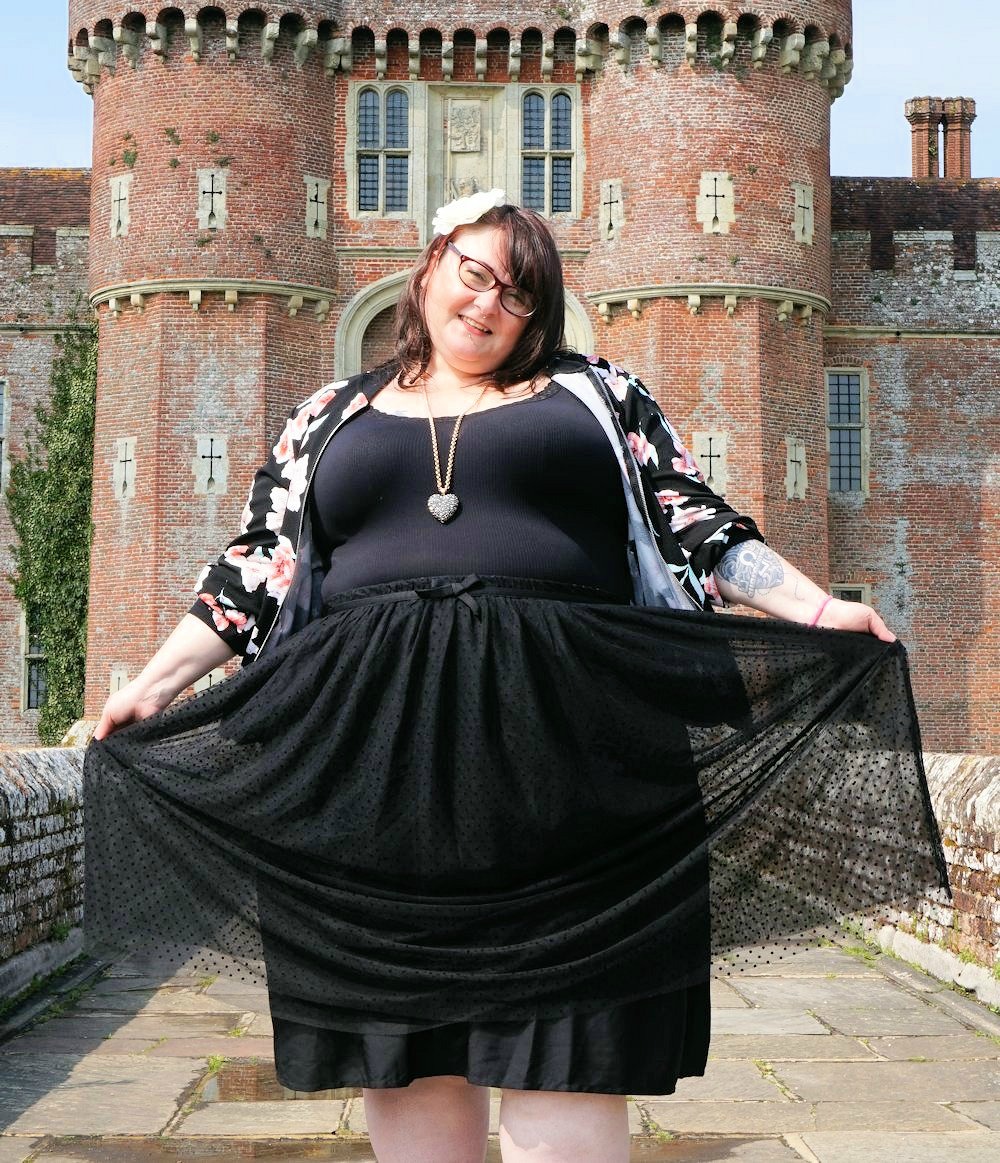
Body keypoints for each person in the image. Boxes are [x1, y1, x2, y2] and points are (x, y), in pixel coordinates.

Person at [88, 190, 943, 1163]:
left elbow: (694, 522)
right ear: (430, 267)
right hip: (371, 779)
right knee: (411, 1060)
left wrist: (819, 610)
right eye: (476, 274)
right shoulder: (327, 414)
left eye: (521, 293)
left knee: (566, 1057)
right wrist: (153, 685)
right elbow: (255, 570)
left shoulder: (598, 394)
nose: (491, 303)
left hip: (574, 767)